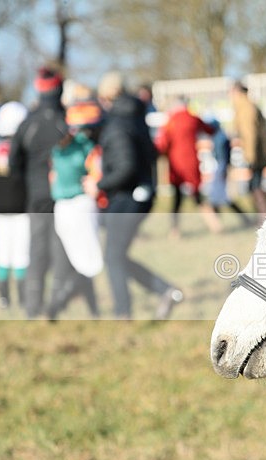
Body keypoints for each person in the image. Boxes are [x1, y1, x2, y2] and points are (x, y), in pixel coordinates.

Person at [90, 71, 183, 320]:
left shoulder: (118, 123)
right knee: (116, 256)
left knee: (112, 257)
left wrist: (99, 183)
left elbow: (125, 167)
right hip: (138, 195)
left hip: (127, 198)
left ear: (106, 97)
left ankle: (124, 313)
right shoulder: (135, 115)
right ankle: (166, 291)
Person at [8, 66, 76, 318]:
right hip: (64, 195)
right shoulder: (67, 121)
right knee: (60, 250)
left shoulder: (28, 123)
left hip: (36, 197)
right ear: (59, 90)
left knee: (36, 251)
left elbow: (14, 163)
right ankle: (54, 306)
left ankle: (32, 306)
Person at [46, 98, 104, 319]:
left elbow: (52, 178)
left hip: (61, 208)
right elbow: (96, 177)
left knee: (76, 260)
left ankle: (92, 310)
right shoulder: (88, 148)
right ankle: (58, 304)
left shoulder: (56, 151)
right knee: (90, 262)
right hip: (82, 205)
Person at [154, 96, 220, 237]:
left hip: (176, 164)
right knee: (197, 195)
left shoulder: (170, 121)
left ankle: (175, 230)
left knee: (177, 199)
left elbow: (163, 144)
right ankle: (214, 224)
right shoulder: (192, 118)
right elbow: (210, 129)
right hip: (191, 162)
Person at [0, 101, 30, 309]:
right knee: (21, 254)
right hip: (21, 210)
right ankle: (21, 299)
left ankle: (5, 300)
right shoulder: (21, 152)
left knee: (3, 254)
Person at [229, 81, 266, 225]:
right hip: (259, 153)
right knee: (255, 186)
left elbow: (250, 134)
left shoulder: (245, 108)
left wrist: (250, 157)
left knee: (255, 186)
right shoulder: (247, 105)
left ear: (237, 92)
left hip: (256, 155)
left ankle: (265, 219)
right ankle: (265, 217)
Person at [205, 117, 252, 228]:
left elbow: (223, 157)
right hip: (221, 168)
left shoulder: (220, 137)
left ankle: (217, 225)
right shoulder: (220, 136)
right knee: (220, 199)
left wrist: (222, 171)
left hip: (220, 168)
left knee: (220, 199)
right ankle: (218, 224)